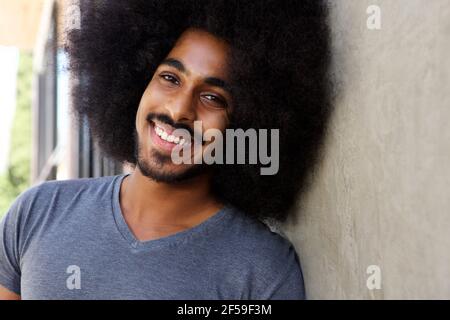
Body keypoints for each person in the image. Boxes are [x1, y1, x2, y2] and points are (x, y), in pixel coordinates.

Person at [0, 0, 331, 299]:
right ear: (137, 82)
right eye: (170, 78)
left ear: (247, 123)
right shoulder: (37, 213)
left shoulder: (262, 271)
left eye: (213, 98)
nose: (177, 111)